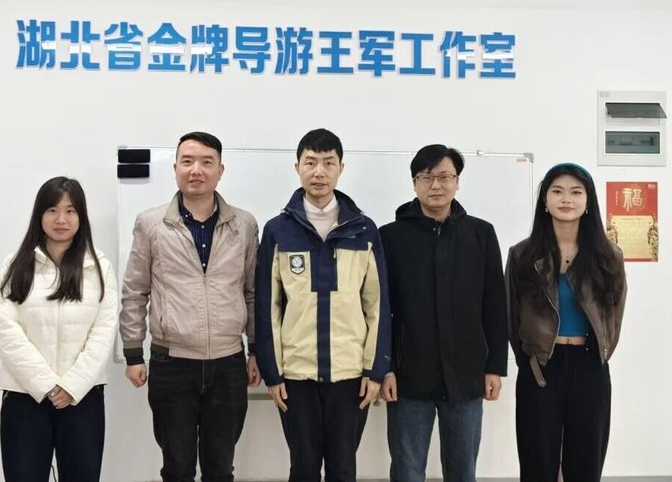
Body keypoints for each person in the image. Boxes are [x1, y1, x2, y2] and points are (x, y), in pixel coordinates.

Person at [120, 132, 260, 482]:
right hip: (172, 364)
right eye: (187, 161)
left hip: (228, 364)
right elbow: (135, 291)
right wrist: (133, 353)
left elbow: (252, 292)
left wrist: (255, 350)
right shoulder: (151, 223)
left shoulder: (243, 225)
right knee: (177, 468)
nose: (196, 170)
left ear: (220, 170)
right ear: (175, 169)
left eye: (206, 162)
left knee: (220, 469)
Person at [255, 128, 391, 482]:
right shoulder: (278, 230)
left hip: (350, 375)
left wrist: (375, 370)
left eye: (328, 163)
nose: (319, 172)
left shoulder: (363, 230)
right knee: (303, 467)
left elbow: (377, 306)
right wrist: (272, 372)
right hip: (296, 375)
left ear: (341, 168)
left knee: (343, 468)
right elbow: (268, 307)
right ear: (297, 167)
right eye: (311, 162)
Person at [379, 144, 508, 482]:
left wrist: (494, 367)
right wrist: (385, 368)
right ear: (414, 183)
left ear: (457, 181)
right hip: (408, 377)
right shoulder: (390, 237)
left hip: (465, 375)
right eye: (426, 177)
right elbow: (381, 309)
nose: (436, 185)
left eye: (444, 177)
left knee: (462, 471)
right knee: (407, 470)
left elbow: (495, 305)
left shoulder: (481, 234)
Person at [505, 163, 627, 481]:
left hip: (590, 367)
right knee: (537, 461)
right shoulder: (522, 255)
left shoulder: (608, 257)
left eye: (576, 192)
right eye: (557, 191)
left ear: (588, 202)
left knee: (586, 461)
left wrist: (598, 354)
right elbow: (511, 317)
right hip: (541, 368)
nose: (566, 199)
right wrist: (530, 360)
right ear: (545, 201)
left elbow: (614, 316)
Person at [0, 176, 118, 482]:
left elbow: (104, 331)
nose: (61, 219)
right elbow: (4, 329)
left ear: (81, 216)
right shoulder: (16, 265)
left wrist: (72, 386)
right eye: (52, 210)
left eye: (70, 211)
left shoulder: (99, 267)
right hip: (25, 396)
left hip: (83, 396)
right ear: (40, 214)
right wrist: (46, 384)